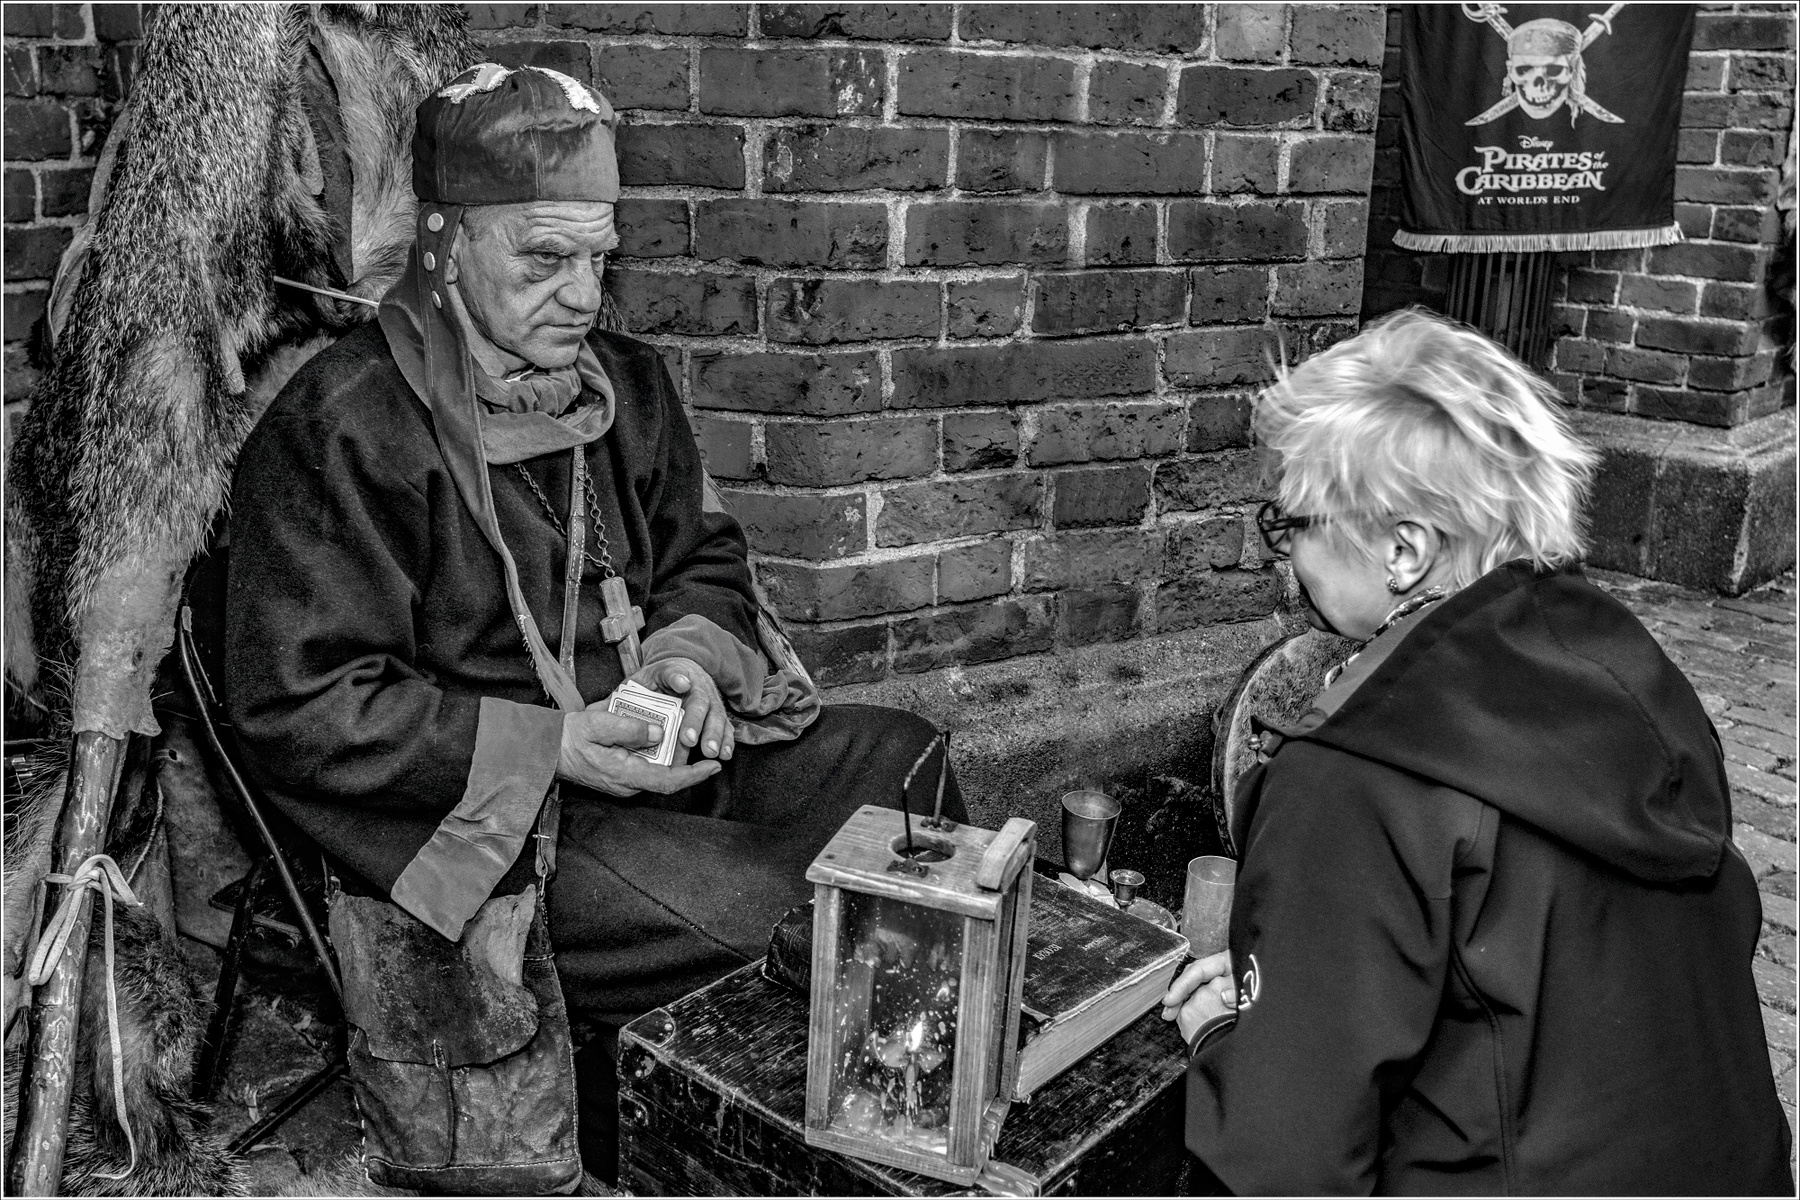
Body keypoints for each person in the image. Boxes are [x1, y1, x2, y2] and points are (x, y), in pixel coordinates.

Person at [222, 62, 963, 1175]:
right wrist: (556, 746)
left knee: (905, 767)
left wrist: (686, 664)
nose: (581, 296)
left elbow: (703, 559)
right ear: (445, 243)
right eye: (544, 259)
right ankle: (775, 1159)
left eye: (597, 260)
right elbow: (300, 704)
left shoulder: (629, 386)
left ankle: (904, 1098)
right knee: (774, 912)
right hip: (491, 820)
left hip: (639, 751)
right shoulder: (345, 427)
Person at [1161, 309, 1793, 1194]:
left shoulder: (1354, 770)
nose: (1287, 551)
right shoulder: (1633, 675)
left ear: (1404, 549)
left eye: (1294, 521)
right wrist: (1300, 983)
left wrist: (1230, 1037)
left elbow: (1284, 1160)